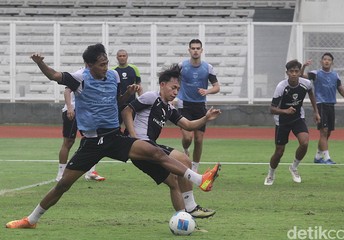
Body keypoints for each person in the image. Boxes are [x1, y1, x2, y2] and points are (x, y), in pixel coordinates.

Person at [5, 43, 221, 229]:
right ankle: (31, 219)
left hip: (113, 137)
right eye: (101, 64)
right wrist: (40, 63)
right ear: (90, 65)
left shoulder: (114, 76)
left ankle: (200, 179)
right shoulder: (80, 78)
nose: (106, 68)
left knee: (154, 151)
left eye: (107, 62)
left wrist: (126, 95)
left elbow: (116, 103)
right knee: (63, 185)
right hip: (91, 142)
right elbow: (54, 75)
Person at [122, 64, 221, 218]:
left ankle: (184, 218)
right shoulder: (151, 97)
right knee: (183, 160)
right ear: (162, 85)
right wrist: (134, 137)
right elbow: (127, 111)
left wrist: (206, 118)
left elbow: (188, 125)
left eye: (178, 89)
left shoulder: (168, 108)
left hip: (150, 148)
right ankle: (194, 199)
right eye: (173, 87)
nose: (175, 92)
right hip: (142, 146)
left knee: (175, 181)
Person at [264, 59, 320, 186]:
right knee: (279, 152)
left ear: (299, 72)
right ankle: (271, 174)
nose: (294, 74)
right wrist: (285, 111)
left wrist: (316, 112)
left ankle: (294, 167)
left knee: (305, 142)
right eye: (291, 71)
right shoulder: (281, 87)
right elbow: (272, 109)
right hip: (282, 121)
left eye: (296, 71)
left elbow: (311, 93)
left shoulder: (306, 83)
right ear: (287, 73)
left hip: (297, 118)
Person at [301, 53, 344, 164]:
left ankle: (318, 157)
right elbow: (301, 76)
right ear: (321, 61)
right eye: (325, 59)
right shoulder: (315, 73)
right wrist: (304, 66)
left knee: (328, 133)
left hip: (331, 106)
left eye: (329, 60)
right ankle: (327, 158)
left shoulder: (335, 76)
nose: (327, 61)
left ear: (332, 62)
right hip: (321, 105)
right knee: (324, 131)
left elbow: (340, 89)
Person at [176, 39, 220, 172]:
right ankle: (185, 149)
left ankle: (194, 168)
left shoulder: (208, 68)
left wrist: (207, 91)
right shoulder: (181, 66)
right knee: (187, 137)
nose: (195, 50)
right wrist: (173, 96)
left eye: (198, 48)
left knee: (199, 139)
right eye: (193, 48)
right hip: (184, 104)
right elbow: (173, 81)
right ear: (189, 50)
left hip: (200, 106)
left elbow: (217, 87)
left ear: (202, 50)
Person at [56, 87, 105, 182]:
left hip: (89, 112)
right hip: (73, 110)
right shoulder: (78, 75)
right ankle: (61, 174)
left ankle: (91, 172)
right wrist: (70, 107)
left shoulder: (97, 78)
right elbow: (67, 91)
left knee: (94, 141)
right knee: (68, 142)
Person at [112, 49, 142, 126]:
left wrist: (141, 99)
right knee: (116, 125)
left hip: (131, 103)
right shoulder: (113, 71)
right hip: (118, 103)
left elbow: (138, 85)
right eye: (120, 56)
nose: (122, 57)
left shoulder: (134, 69)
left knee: (131, 126)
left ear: (127, 57)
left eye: (124, 56)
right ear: (117, 57)